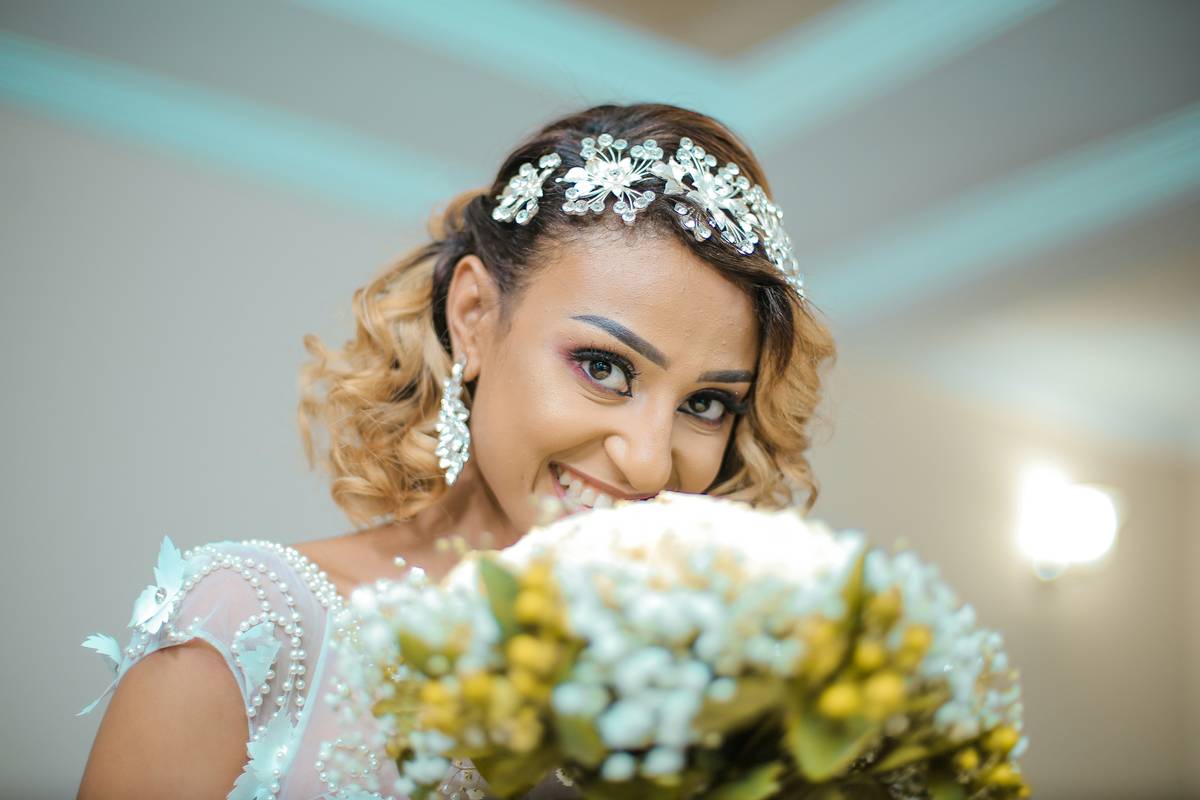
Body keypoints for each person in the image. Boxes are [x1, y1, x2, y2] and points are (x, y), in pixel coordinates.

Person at [76, 102, 836, 799]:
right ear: (474, 315)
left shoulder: (721, 698)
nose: (650, 463)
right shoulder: (245, 627)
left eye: (706, 405)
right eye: (604, 367)